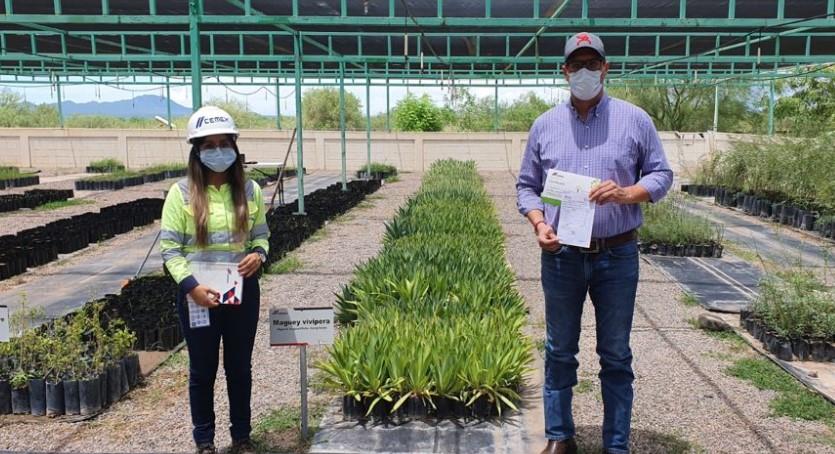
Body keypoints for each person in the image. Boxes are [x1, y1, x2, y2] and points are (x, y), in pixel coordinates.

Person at [516, 33, 673, 454]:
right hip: (562, 255)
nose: (584, 71)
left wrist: (626, 193)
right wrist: (537, 223)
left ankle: (616, 444)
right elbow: (527, 188)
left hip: (617, 254)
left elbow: (661, 175)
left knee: (616, 353)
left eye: (592, 63)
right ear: (564, 71)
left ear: (605, 68)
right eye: (576, 64)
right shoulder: (545, 125)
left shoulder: (635, 119)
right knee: (559, 349)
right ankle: (559, 436)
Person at [160, 106, 270, 454]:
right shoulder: (180, 194)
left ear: (235, 148)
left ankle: (241, 436)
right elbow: (170, 251)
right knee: (202, 370)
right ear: (196, 151)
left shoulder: (250, 191)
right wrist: (191, 287)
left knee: (239, 367)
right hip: (198, 295)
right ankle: (204, 441)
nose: (218, 150)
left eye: (224, 143)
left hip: (241, 291)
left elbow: (261, 236)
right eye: (209, 145)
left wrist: (259, 254)